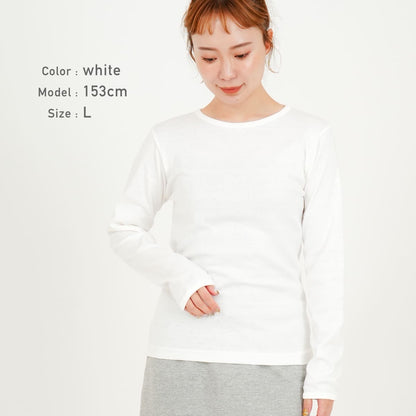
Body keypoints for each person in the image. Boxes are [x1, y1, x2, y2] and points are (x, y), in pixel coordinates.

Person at [107, 1, 344, 415]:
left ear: (267, 42)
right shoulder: (170, 138)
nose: (227, 73)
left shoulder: (310, 137)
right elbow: (124, 228)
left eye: (241, 53)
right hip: (180, 356)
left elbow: (325, 262)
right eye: (209, 58)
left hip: (276, 358)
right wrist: (180, 275)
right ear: (193, 53)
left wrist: (324, 373)